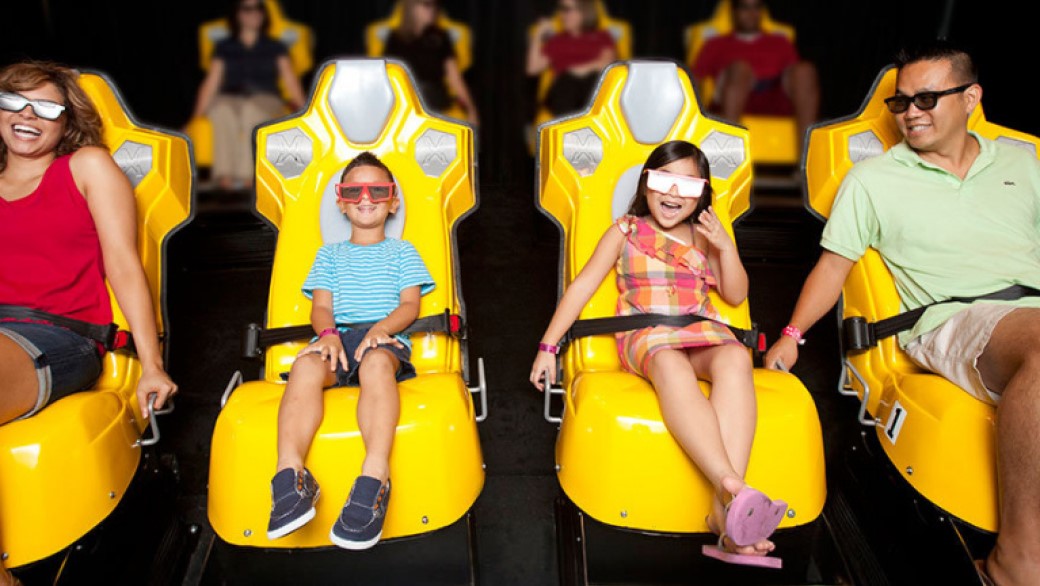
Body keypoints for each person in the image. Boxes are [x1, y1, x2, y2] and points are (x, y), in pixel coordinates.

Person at [762, 42, 1040, 586]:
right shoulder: (874, 181)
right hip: (956, 321)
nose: (912, 111)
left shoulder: (1020, 163)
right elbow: (832, 266)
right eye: (902, 102)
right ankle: (1018, 565)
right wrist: (792, 335)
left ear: (971, 97)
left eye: (929, 98)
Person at [529, 140, 787, 567]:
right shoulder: (625, 230)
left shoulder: (705, 236)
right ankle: (734, 490)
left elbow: (736, 294)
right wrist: (547, 346)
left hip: (700, 329)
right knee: (670, 363)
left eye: (687, 186)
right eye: (665, 181)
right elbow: (581, 287)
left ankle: (726, 513)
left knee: (736, 358)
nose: (673, 194)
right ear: (647, 183)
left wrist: (725, 246)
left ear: (702, 193)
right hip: (646, 334)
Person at [0, 61, 177, 586]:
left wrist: (152, 364)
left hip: (58, 339)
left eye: (47, 107)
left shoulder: (87, 166)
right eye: (14, 101)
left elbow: (124, 265)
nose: (29, 115)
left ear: (66, 121)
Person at [266, 152, 435, 550]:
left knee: (376, 363)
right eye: (353, 190)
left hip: (384, 338)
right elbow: (321, 306)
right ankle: (289, 477)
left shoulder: (402, 252)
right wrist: (326, 334)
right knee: (306, 368)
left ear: (393, 201)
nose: (366, 197)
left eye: (378, 190)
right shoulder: (330, 255)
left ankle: (374, 476)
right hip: (336, 338)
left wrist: (380, 331)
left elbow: (410, 305)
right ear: (341, 203)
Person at [187, 0, 306, 190]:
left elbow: (290, 80)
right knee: (220, 109)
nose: (255, 13)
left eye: (259, 8)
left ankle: (247, 178)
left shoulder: (275, 46)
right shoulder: (225, 47)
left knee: (251, 110)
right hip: (232, 96)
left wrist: (305, 111)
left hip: (266, 97)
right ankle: (225, 177)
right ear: (238, 15)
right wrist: (194, 118)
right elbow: (212, 82)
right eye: (248, 9)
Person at [690, 0, 818, 152]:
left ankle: (806, 160)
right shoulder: (715, 44)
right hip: (733, 93)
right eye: (745, 7)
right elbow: (695, 79)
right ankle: (727, 156)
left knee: (805, 70)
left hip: (774, 95)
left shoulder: (780, 42)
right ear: (734, 12)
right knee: (740, 69)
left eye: (756, 7)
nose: (751, 13)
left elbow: (798, 81)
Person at [383, 0, 479, 125]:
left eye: (435, 5)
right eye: (426, 5)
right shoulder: (395, 39)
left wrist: (471, 110)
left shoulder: (440, 37)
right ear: (412, 8)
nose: (432, 10)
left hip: (436, 103)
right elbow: (387, 76)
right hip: (406, 103)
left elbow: (454, 77)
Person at [526, 0, 617, 117]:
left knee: (592, 80)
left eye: (567, 9)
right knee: (567, 81)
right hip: (564, 91)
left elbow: (609, 64)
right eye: (561, 10)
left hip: (591, 88)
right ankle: (569, 126)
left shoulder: (601, 37)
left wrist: (579, 70)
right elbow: (532, 69)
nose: (562, 15)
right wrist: (538, 35)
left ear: (583, 12)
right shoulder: (557, 41)